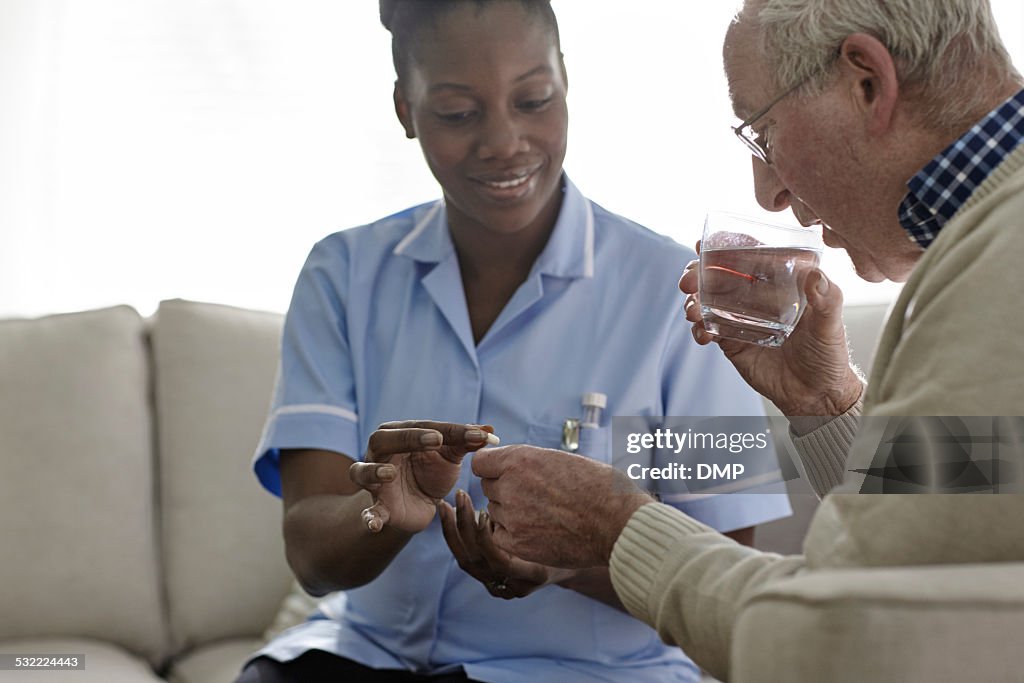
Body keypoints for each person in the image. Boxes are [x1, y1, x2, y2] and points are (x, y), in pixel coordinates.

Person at [466, 0, 1024, 680]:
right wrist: (826, 402)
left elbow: (836, 637)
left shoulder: (1002, 267)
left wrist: (617, 527)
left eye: (763, 135)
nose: (769, 194)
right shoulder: (996, 240)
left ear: (867, 83)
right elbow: (970, 505)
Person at [237, 1, 790, 682]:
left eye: (533, 99)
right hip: (361, 659)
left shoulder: (680, 295)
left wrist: (573, 561)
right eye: (457, 113)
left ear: (565, 82)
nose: (504, 140)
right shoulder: (341, 275)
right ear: (405, 111)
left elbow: (723, 584)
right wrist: (383, 508)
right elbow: (313, 558)